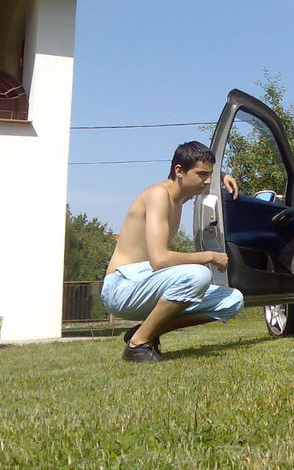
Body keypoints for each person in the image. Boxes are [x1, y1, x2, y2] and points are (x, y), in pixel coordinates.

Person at [101, 141, 244, 362]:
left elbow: (197, 178)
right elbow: (160, 260)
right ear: (179, 171)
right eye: (202, 175)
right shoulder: (158, 195)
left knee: (232, 300)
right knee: (198, 274)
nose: (207, 181)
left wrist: (222, 176)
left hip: (149, 284)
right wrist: (210, 256)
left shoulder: (179, 197)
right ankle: (137, 346)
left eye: (209, 175)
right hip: (122, 287)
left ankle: (145, 331)